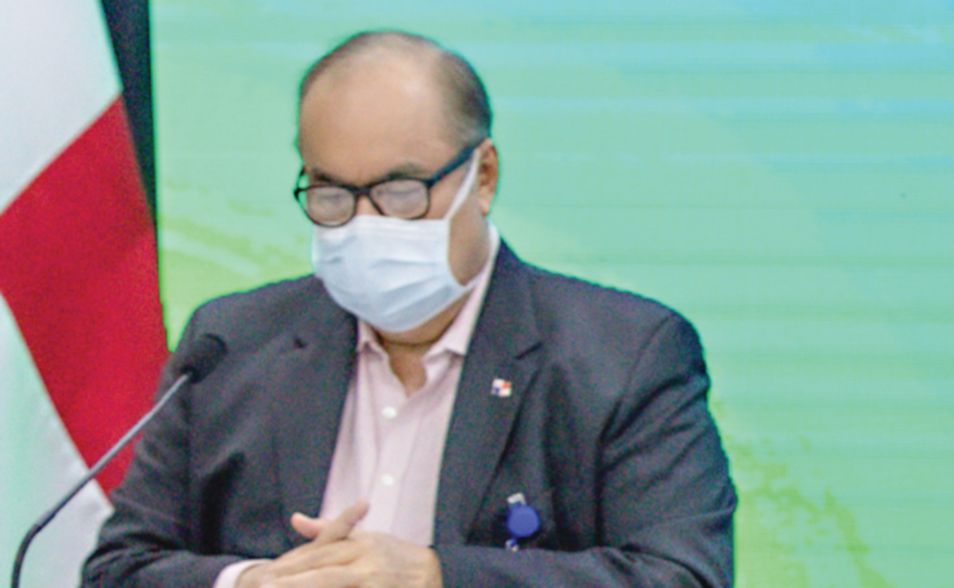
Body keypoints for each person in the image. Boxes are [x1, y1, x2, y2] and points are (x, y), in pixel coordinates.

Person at [83, 30, 736, 587]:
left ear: (483, 176)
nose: (364, 224)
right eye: (332, 194)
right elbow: (119, 568)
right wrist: (252, 582)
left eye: (400, 192)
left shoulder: (624, 356)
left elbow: (681, 575)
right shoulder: (230, 344)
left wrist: (436, 576)